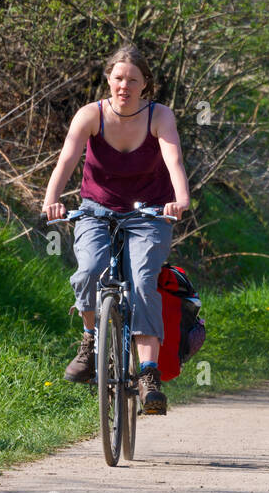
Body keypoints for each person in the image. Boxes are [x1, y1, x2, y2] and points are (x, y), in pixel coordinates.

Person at [41, 45, 191, 414]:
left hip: (149, 215)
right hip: (97, 211)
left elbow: (173, 159)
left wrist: (181, 199)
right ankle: (91, 341)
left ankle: (148, 374)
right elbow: (67, 158)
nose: (124, 85)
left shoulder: (160, 116)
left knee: (143, 279)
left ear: (145, 84)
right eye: (119, 78)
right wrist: (51, 199)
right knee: (89, 271)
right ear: (108, 78)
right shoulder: (91, 115)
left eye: (133, 79)